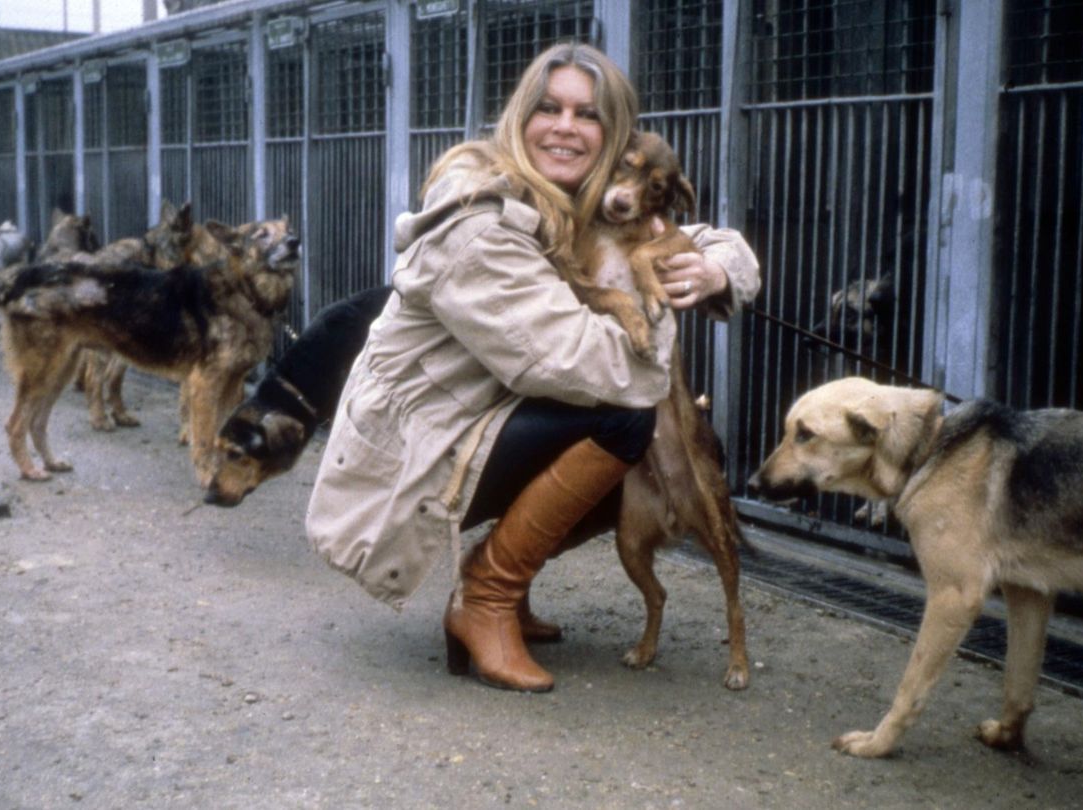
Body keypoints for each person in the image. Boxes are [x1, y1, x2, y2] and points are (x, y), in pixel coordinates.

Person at [305, 42, 760, 693]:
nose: (566, 127)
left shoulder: (579, 194)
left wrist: (715, 268)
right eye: (549, 108)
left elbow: (696, 233)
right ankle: (485, 597)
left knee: (625, 453)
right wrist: (659, 317)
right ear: (521, 116)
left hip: (475, 424)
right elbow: (572, 359)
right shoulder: (480, 220)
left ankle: (503, 588)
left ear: (614, 135)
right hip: (411, 457)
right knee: (626, 422)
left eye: (587, 114)